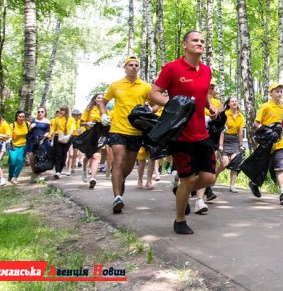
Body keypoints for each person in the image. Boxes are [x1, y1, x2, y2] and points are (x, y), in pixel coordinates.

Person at [147, 30, 218, 235]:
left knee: (208, 177)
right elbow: (153, 93)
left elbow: (203, 93)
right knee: (187, 179)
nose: (200, 43)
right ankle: (180, 220)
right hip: (180, 135)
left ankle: (181, 192)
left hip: (201, 133)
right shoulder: (172, 69)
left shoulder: (206, 70)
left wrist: (210, 106)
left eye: (202, 41)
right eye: (195, 40)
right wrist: (173, 104)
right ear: (184, 44)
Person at [100, 56, 152, 214]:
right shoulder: (115, 85)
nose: (134, 67)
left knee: (128, 166)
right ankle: (117, 197)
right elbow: (102, 101)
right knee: (118, 159)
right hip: (117, 128)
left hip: (136, 132)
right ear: (125, 67)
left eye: (136, 65)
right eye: (131, 65)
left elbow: (155, 102)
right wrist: (103, 114)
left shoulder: (145, 87)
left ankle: (120, 180)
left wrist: (150, 111)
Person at [252, 82, 283, 205]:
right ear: (271, 93)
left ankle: (282, 193)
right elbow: (256, 123)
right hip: (267, 142)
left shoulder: (282, 108)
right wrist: (266, 132)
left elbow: (279, 122)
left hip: (279, 142)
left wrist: (282, 129)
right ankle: (254, 183)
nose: (279, 93)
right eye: (277, 91)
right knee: (263, 167)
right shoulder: (265, 106)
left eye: (280, 91)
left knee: (280, 166)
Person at [214, 96, 245, 193]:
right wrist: (221, 145)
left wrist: (240, 145)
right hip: (225, 139)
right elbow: (222, 132)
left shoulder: (241, 116)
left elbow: (240, 133)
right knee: (224, 164)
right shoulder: (225, 114)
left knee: (235, 163)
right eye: (232, 101)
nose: (235, 103)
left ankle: (232, 186)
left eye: (236, 101)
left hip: (234, 141)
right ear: (228, 104)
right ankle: (212, 179)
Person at [81, 93, 106, 189]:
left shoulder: (105, 110)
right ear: (94, 99)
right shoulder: (89, 109)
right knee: (88, 155)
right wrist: (88, 123)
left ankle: (93, 178)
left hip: (100, 134)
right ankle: (84, 170)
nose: (100, 99)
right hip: (89, 133)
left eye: (102, 98)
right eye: (98, 98)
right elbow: (81, 123)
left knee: (95, 155)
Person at [51, 105, 76, 179]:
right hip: (58, 137)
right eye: (61, 110)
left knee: (64, 154)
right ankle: (57, 172)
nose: (61, 112)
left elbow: (72, 128)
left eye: (63, 110)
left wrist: (69, 135)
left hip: (67, 138)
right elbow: (53, 128)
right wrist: (52, 136)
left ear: (67, 111)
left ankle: (61, 169)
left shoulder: (71, 119)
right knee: (58, 154)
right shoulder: (57, 119)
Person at [28, 107, 51, 182]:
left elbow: (48, 131)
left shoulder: (47, 122)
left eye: (42, 112)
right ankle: (34, 173)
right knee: (31, 157)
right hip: (33, 140)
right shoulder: (34, 120)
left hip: (42, 141)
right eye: (38, 112)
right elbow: (29, 131)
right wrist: (30, 128)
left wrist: (44, 137)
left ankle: (39, 173)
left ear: (44, 113)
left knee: (41, 157)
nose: (40, 113)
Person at [9, 110, 30, 184]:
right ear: (17, 117)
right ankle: (10, 176)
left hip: (23, 145)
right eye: (20, 117)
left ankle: (15, 177)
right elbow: (9, 136)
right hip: (13, 145)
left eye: (23, 117)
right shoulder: (12, 125)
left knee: (20, 162)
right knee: (13, 161)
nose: (21, 118)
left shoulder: (27, 124)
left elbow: (31, 132)